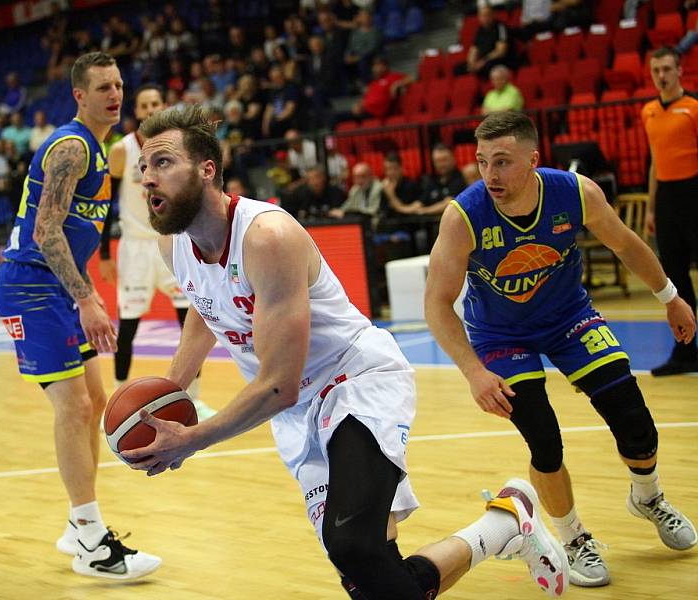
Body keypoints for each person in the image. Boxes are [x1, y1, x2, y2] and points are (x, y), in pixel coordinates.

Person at [120, 104, 570, 600]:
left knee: (351, 542)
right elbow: (206, 306)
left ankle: (504, 526)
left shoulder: (266, 237)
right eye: (144, 167)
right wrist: (170, 393)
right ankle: (504, 525)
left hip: (354, 381)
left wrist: (194, 437)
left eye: (162, 163)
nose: (147, 178)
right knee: (369, 573)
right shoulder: (175, 246)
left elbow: (276, 384)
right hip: (296, 414)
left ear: (207, 170)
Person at [425, 111, 698, 590]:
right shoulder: (464, 216)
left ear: (533, 160)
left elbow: (627, 245)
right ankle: (574, 539)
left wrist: (671, 296)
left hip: (569, 319)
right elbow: (436, 303)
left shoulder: (574, 192)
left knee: (635, 423)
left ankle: (648, 497)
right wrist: (472, 371)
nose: (490, 174)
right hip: (501, 337)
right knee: (545, 441)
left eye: (503, 162)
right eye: (483, 161)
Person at [0, 52, 161, 580]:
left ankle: (76, 523)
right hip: (31, 289)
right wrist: (86, 296)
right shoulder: (71, 147)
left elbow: (70, 231)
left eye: (118, 84)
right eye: (103, 87)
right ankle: (91, 540)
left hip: (57, 289)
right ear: (79, 96)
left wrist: (82, 291)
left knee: (95, 401)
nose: (114, 93)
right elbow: (46, 231)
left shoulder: (101, 149)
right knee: (72, 407)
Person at [99, 83, 216, 420]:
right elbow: (106, 205)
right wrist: (105, 253)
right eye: (144, 104)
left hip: (172, 239)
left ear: (163, 107)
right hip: (135, 247)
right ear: (137, 111)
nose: (150, 109)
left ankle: (193, 397)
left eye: (155, 103)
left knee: (189, 319)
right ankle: (117, 395)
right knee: (129, 324)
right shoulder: (121, 151)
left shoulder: (177, 147)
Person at [641, 47, 698, 376]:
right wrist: (651, 206)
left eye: (666, 69)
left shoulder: (692, 107)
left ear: (679, 70)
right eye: (655, 70)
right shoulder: (648, 111)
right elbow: (654, 162)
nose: (660, 75)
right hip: (666, 199)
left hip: (694, 192)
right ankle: (686, 351)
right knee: (674, 278)